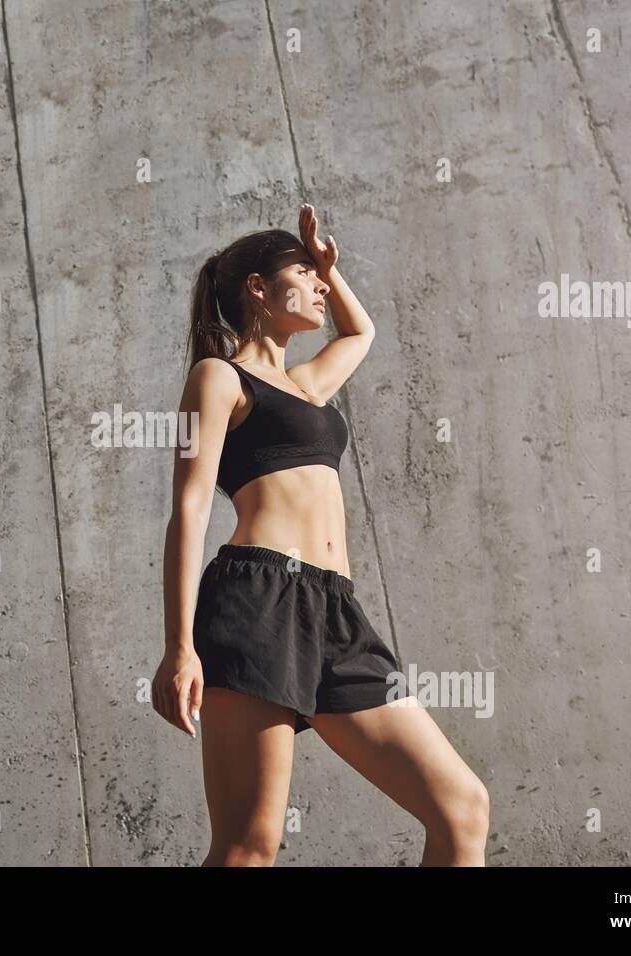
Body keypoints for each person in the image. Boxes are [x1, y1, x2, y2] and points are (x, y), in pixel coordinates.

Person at [152, 204, 489, 866]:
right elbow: (189, 509)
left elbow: (361, 333)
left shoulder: (305, 385)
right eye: (303, 274)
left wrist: (330, 269)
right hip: (258, 602)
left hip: (335, 610)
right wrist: (179, 647)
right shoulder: (218, 377)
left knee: (461, 807)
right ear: (257, 288)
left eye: (319, 278)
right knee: (250, 847)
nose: (319, 288)